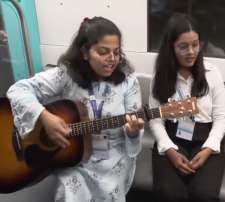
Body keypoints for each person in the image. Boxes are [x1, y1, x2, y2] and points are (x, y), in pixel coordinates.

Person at [6, 16, 144, 202]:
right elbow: (18, 90)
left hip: (114, 159)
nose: (112, 59)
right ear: (85, 53)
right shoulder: (67, 75)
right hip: (74, 158)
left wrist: (133, 132)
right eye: (103, 52)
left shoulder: (128, 82)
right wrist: (44, 117)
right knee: (70, 191)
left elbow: (134, 137)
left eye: (117, 52)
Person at [149, 13, 225, 202]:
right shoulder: (160, 76)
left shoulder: (212, 73)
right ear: (171, 48)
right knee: (169, 193)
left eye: (195, 44)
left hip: (206, 137)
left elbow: (221, 117)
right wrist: (170, 150)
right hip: (171, 136)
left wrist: (208, 148)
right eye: (183, 46)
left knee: (204, 194)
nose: (191, 51)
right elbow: (156, 119)